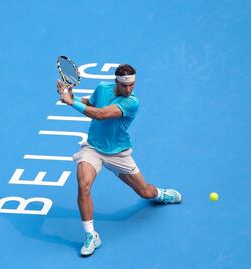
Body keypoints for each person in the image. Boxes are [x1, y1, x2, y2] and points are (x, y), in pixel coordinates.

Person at [56, 64, 182, 256]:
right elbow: (92, 104)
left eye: (132, 85)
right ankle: (91, 235)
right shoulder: (102, 88)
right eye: (125, 86)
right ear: (116, 82)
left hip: (118, 153)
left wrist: (71, 103)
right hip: (93, 149)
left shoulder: (132, 102)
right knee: (83, 185)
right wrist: (72, 98)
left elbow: (101, 115)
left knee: (144, 192)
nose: (129, 89)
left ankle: (159, 194)